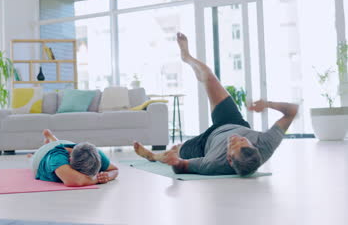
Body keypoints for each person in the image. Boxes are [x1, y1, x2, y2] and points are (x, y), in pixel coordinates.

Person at [134, 32, 299, 176]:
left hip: (205, 144)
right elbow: (292, 111)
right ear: (254, 146)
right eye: (243, 140)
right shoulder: (265, 144)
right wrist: (267, 104)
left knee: (175, 150)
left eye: (233, 144)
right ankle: (187, 57)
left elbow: (183, 167)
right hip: (233, 121)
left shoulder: (213, 164)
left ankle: (153, 156)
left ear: (228, 158)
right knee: (209, 77)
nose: (235, 138)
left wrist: (175, 162)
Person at [29, 129, 119, 186]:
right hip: (40, 157)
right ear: (69, 160)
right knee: (32, 159)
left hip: (64, 143)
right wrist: (97, 179)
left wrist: (107, 176)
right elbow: (75, 181)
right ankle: (32, 155)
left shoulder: (94, 153)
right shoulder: (57, 158)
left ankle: (52, 139)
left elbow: (115, 170)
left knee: (57, 144)